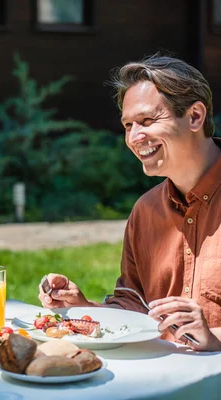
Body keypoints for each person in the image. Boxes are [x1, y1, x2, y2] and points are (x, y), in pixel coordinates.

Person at [38, 54, 221, 351]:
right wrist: (83, 306)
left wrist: (214, 338)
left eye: (147, 121)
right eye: (127, 125)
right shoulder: (145, 211)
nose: (135, 137)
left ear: (195, 117)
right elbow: (134, 306)